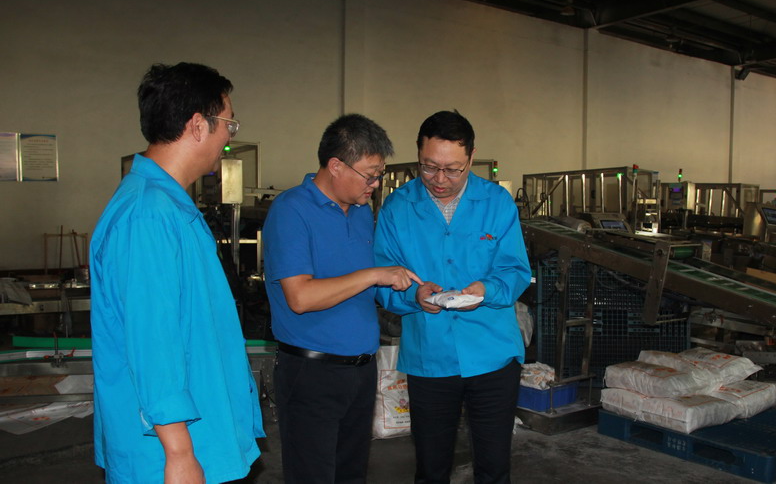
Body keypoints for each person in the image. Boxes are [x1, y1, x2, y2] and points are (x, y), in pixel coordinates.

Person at [90, 62, 265, 483]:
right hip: (170, 454)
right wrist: (180, 454)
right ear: (198, 125)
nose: (229, 137)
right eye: (229, 124)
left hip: (203, 432)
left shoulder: (168, 206)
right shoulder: (148, 215)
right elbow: (153, 342)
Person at [262, 113, 422, 483]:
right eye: (370, 175)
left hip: (361, 370)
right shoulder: (291, 210)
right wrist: (375, 274)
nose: (375, 185)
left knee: (352, 474)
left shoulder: (362, 213)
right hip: (312, 373)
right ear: (336, 166)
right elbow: (300, 297)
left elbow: (365, 287)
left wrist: (415, 291)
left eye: (379, 174)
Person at [374, 110, 531, 483]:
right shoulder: (397, 209)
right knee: (431, 467)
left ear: (471, 158)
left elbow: (515, 270)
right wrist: (414, 296)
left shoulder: (497, 202)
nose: (440, 179)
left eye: (452, 169)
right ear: (418, 155)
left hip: (492, 354)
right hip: (429, 357)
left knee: (494, 466)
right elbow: (381, 278)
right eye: (429, 167)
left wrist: (487, 289)